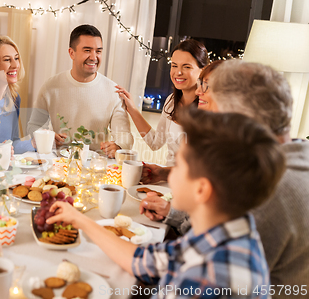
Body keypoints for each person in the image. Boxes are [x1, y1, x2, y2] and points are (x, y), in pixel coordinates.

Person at [47, 109, 285, 298]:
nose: (169, 175)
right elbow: (146, 261)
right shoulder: (225, 233)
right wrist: (82, 222)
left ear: (201, 189)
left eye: (179, 166)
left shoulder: (205, 278)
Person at [141, 60, 309, 298]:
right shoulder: (296, 157)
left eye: (214, 112)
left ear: (238, 118)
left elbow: (199, 260)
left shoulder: (268, 187)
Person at [27, 24, 133, 158]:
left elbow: (125, 136)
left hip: (95, 166)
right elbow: (33, 126)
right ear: (72, 53)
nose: (94, 57)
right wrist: (46, 137)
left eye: (98, 51)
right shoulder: (50, 87)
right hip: (60, 164)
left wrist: (118, 146)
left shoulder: (113, 92)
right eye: (87, 50)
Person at [116, 39, 209, 165]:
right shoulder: (171, 101)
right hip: (168, 178)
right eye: (174, 65)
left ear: (203, 70)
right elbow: (155, 143)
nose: (178, 72)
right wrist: (132, 109)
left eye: (186, 67)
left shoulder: (208, 107)